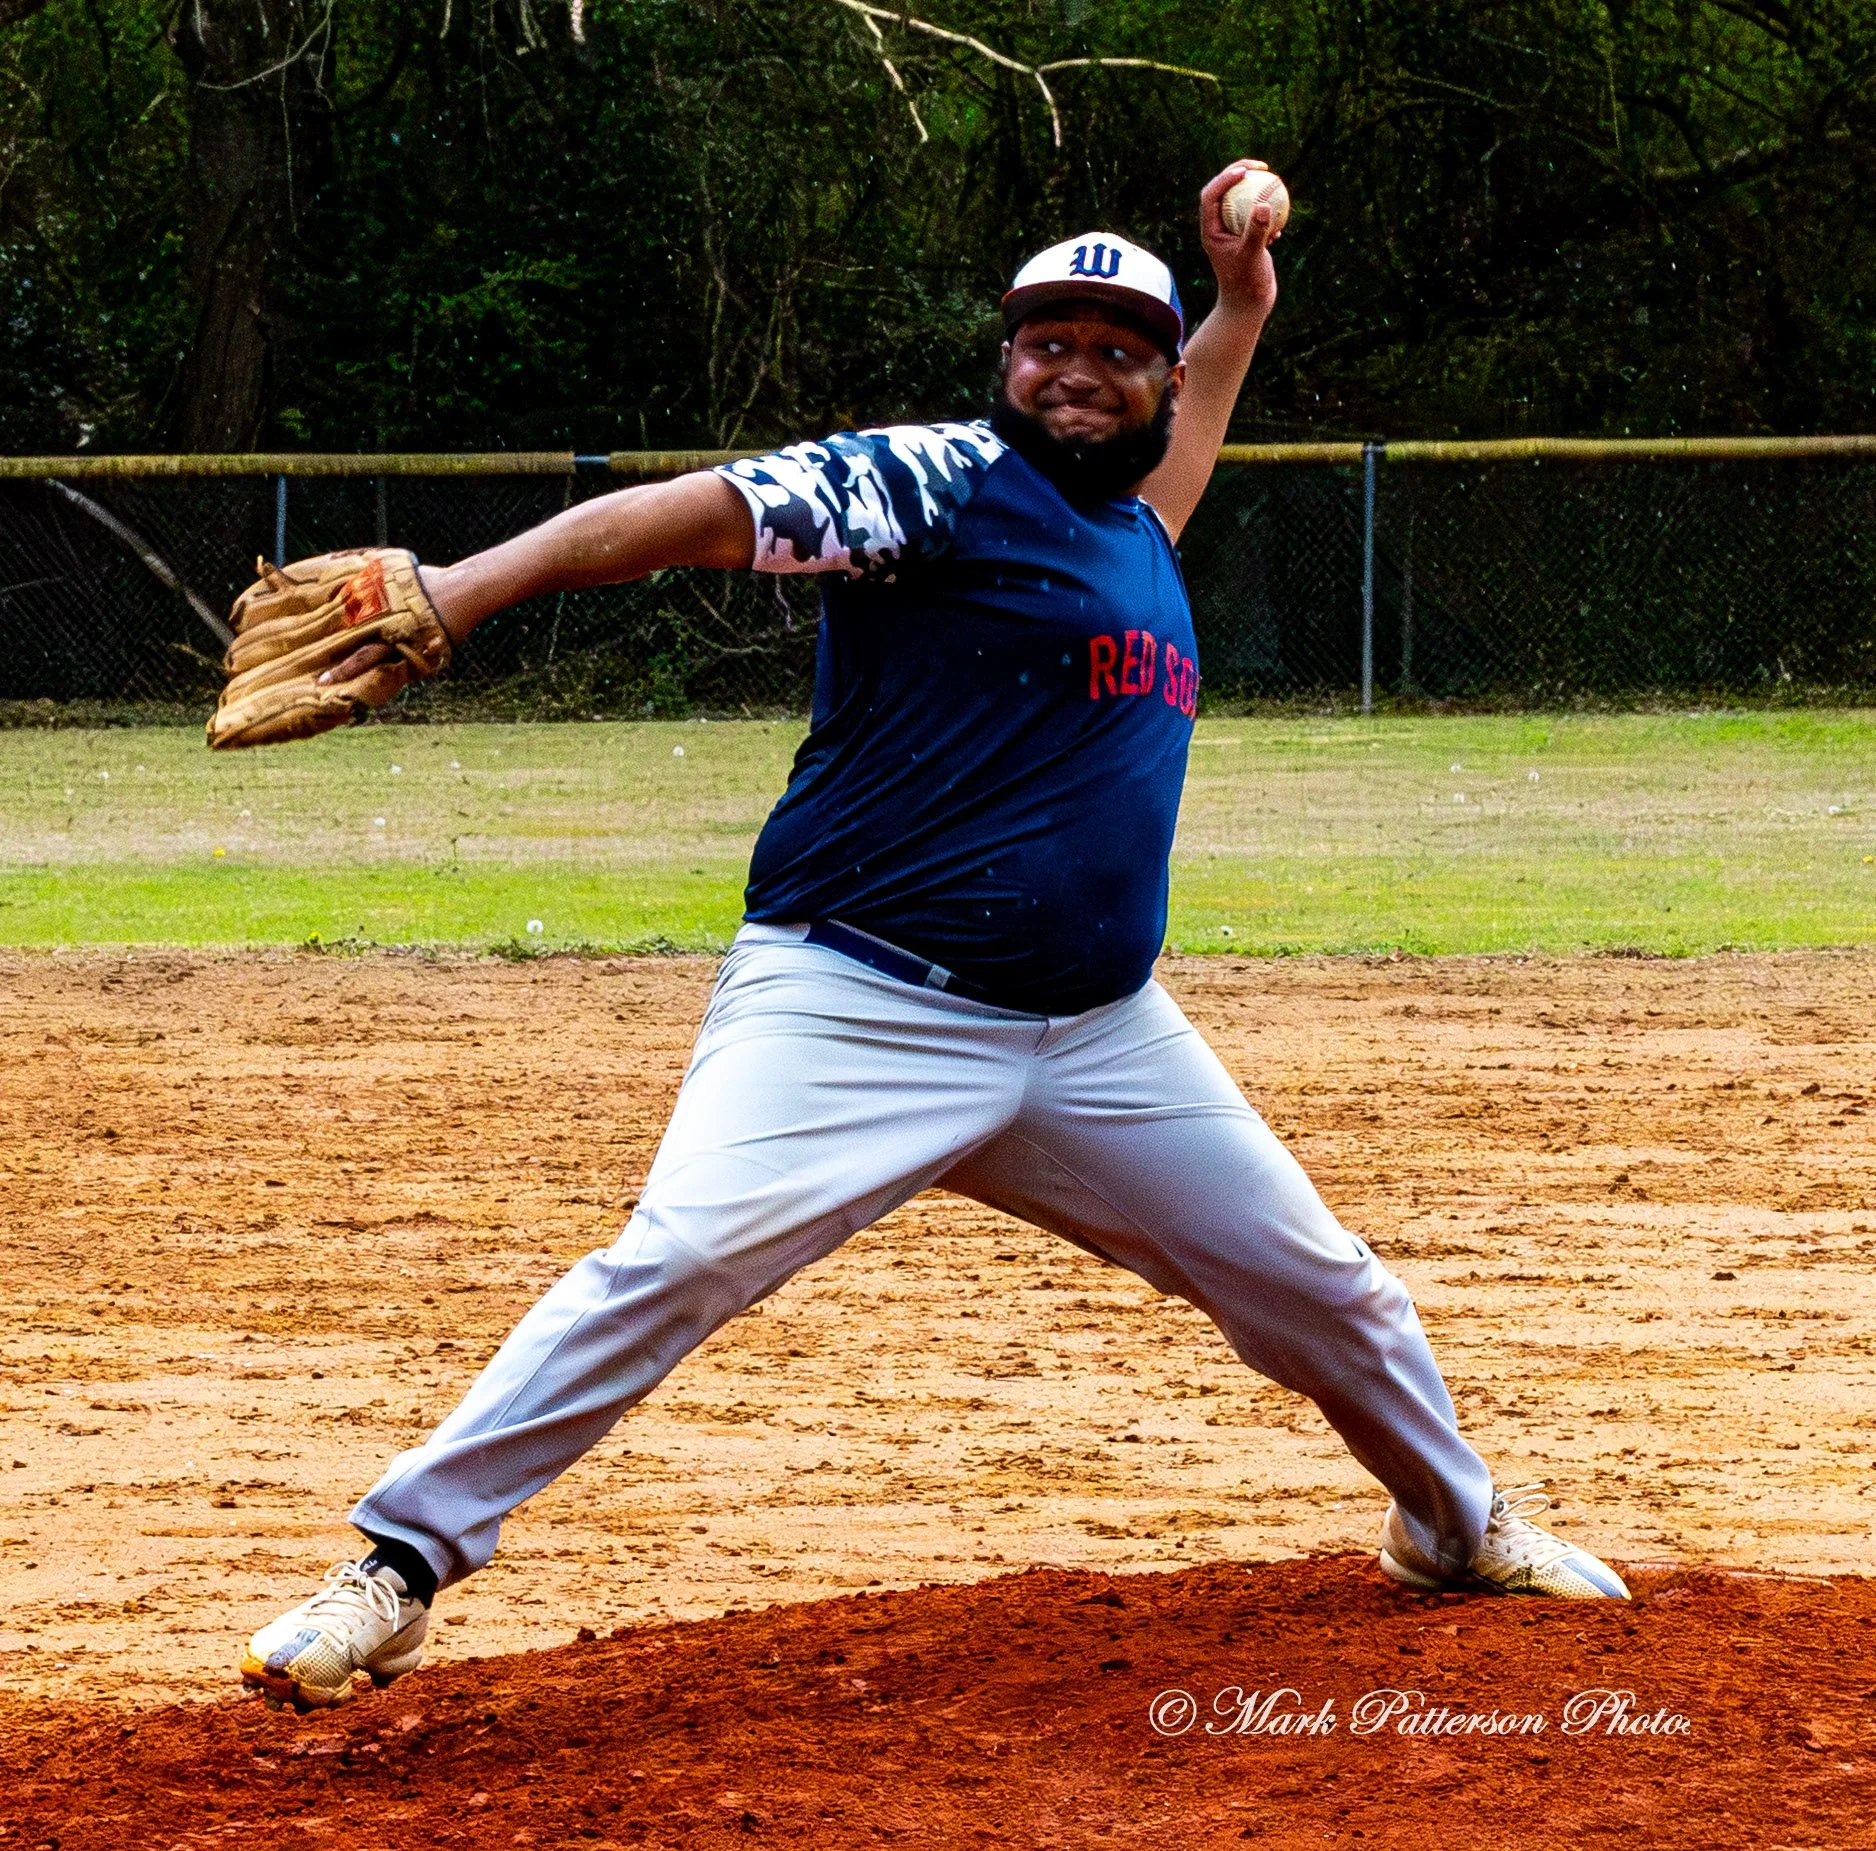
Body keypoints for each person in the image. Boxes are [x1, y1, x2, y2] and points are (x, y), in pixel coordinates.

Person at [241, 162, 1627, 1712]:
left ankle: (1449, 1530)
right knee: (678, 1255)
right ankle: (400, 1563)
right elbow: (692, 514)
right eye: (1048, 341)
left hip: (1100, 1037)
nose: (1076, 369)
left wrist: (1239, 302)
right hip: (855, 1000)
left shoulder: (1137, 533)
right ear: (1006, 361)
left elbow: (1193, 429)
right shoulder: (937, 481)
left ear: (1165, 384)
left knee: (1330, 1292)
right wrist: (463, 586)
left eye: (1119, 348)